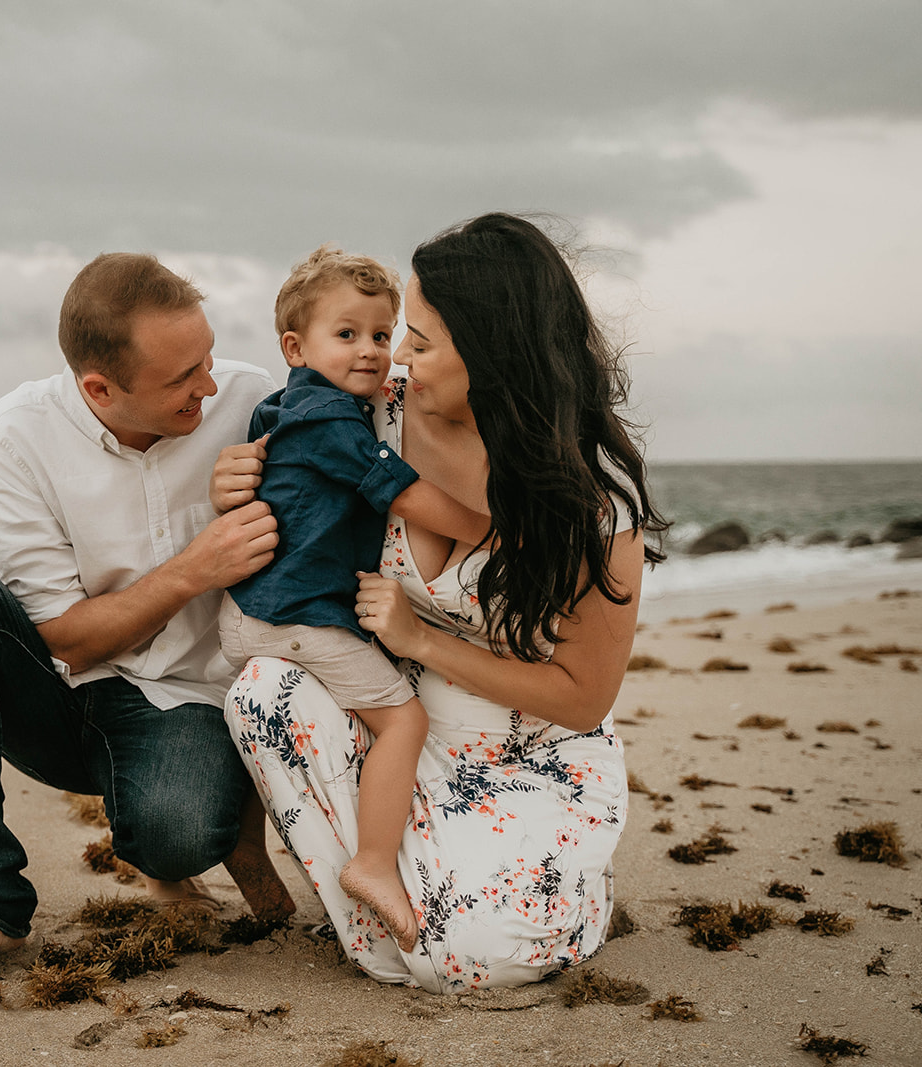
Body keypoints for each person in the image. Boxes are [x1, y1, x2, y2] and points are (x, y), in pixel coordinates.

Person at [216, 213, 665, 991]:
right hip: (392, 723)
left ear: (491, 354)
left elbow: (584, 694)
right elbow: (287, 435)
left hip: (530, 752)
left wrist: (423, 641)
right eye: (401, 336)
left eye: (419, 342)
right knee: (264, 691)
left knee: (479, 957)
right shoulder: (371, 412)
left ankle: (522, 904)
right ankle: (381, 895)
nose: (396, 357)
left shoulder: (591, 501)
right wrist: (237, 475)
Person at [0, 252, 294, 985]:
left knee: (177, 835)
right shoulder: (12, 435)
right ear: (99, 388)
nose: (208, 383)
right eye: (181, 379)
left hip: (184, 697)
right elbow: (65, 637)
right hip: (60, 695)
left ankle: (159, 853)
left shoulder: (246, 398)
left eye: (206, 357)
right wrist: (195, 568)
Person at [216, 245, 490, 951]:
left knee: (351, 725)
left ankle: (328, 840)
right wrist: (489, 527)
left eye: (381, 333)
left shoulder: (285, 405)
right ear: (294, 344)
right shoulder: (333, 420)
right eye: (347, 335)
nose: (372, 352)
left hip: (257, 610)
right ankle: (371, 864)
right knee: (401, 722)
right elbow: (399, 490)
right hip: (298, 615)